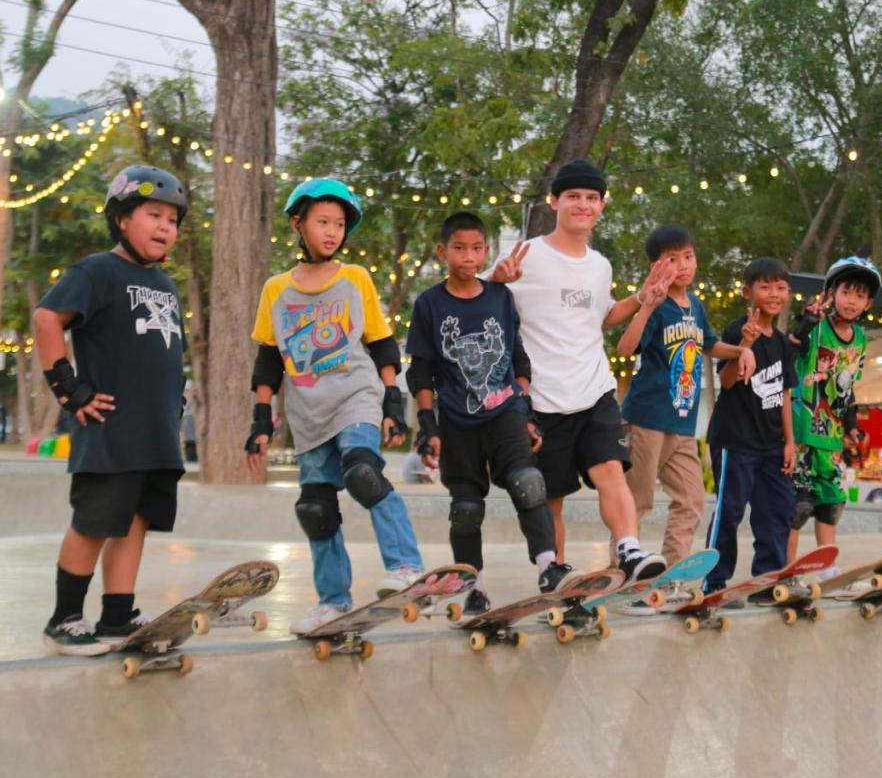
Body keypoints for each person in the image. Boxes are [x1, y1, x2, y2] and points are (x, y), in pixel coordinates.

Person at [246, 178, 425, 635]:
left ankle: (407, 567)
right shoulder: (276, 289)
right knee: (315, 508)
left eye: (339, 224)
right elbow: (268, 360)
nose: (331, 232)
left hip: (356, 396)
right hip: (307, 413)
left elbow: (382, 342)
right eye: (322, 222)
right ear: (297, 224)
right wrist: (260, 420)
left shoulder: (354, 278)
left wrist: (391, 399)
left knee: (362, 472)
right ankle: (333, 602)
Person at [491, 158, 674, 584]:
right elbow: (479, 301)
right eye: (573, 196)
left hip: (593, 389)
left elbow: (602, 315)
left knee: (610, 468)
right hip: (543, 397)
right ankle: (552, 570)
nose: (583, 204)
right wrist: (499, 281)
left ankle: (629, 550)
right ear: (555, 201)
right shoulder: (525, 255)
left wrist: (641, 299)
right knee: (550, 496)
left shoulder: (599, 265)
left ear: (601, 206)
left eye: (592, 198)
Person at [34, 165, 189, 655]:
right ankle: (64, 619)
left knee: (136, 520)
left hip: (155, 431)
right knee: (96, 522)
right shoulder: (98, 271)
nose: (166, 227)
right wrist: (70, 390)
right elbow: (45, 318)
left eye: (173, 219)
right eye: (153, 215)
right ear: (122, 218)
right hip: (109, 427)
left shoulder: (165, 284)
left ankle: (117, 618)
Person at [406, 211, 574, 615]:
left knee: (528, 483)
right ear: (442, 251)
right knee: (466, 508)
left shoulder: (501, 297)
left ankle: (549, 567)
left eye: (477, 248)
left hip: (505, 413)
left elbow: (518, 356)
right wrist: (428, 428)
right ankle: (472, 585)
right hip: (456, 422)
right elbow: (423, 372)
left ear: (487, 251)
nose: (469, 256)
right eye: (459, 248)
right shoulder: (429, 304)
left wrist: (527, 411)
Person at [614, 225, 756, 613]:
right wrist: (645, 304)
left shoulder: (695, 306)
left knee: (691, 500)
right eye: (672, 259)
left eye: (688, 257)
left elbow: (709, 345)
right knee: (637, 501)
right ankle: (624, 582)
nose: (683, 266)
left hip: (681, 423)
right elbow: (626, 347)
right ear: (656, 266)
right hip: (646, 419)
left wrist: (742, 349)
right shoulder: (657, 306)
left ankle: (669, 580)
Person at [702, 257, 798, 604]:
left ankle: (767, 580)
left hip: (772, 445)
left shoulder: (784, 343)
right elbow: (727, 382)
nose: (774, 293)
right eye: (765, 286)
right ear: (749, 292)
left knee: (777, 510)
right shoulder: (737, 329)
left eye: (781, 287)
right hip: (735, 442)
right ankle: (715, 579)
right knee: (730, 510)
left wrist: (790, 441)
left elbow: (785, 393)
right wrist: (743, 346)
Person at [787, 255, 880, 571]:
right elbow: (791, 350)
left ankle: (828, 567)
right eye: (846, 292)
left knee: (831, 504)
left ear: (868, 303)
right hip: (801, 432)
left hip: (831, 437)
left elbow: (848, 387)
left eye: (860, 295)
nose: (852, 301)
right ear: (832, 292)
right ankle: (786, 569)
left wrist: (852, 426)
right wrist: (806, 322)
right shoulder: (815, 326)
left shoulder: (861, 339)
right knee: (797, 506)